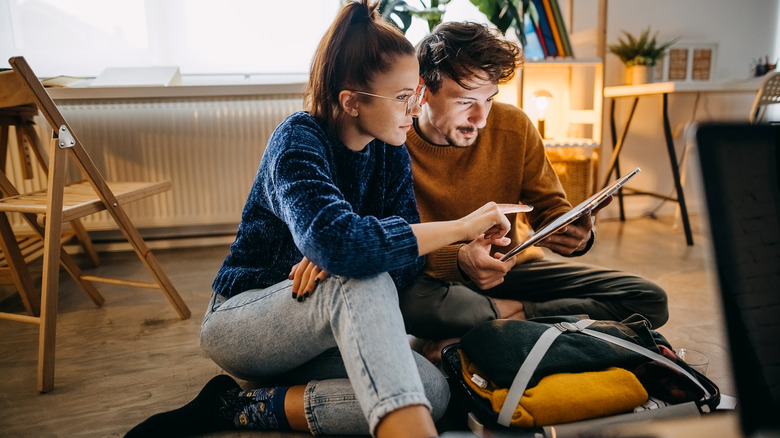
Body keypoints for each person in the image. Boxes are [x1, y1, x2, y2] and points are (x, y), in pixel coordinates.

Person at [125, 3, 524, 438]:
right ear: (351, 102)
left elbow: (405, 268)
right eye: (402, 96)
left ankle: (238, 406)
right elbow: (341, 245)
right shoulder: (297, 140)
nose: (416, 107)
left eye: (417, 93)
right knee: (360, 276)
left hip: (324, 326)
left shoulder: (390, 151)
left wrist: (345, 251)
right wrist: (461, 228)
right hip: (244, 320)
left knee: (432, 391)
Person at [400, 22, 669, 360]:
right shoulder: (394, 141)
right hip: (434, 279)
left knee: (649, 298)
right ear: (423, 90)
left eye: (489, 99)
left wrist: (574, 233)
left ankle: (510, 317)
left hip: (511, 269)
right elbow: (393, 243)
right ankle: (532, 324)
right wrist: (458, 259)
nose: (480, 118)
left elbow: (550, 207)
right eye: (466, 101)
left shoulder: (513, 126)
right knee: (407, 302)